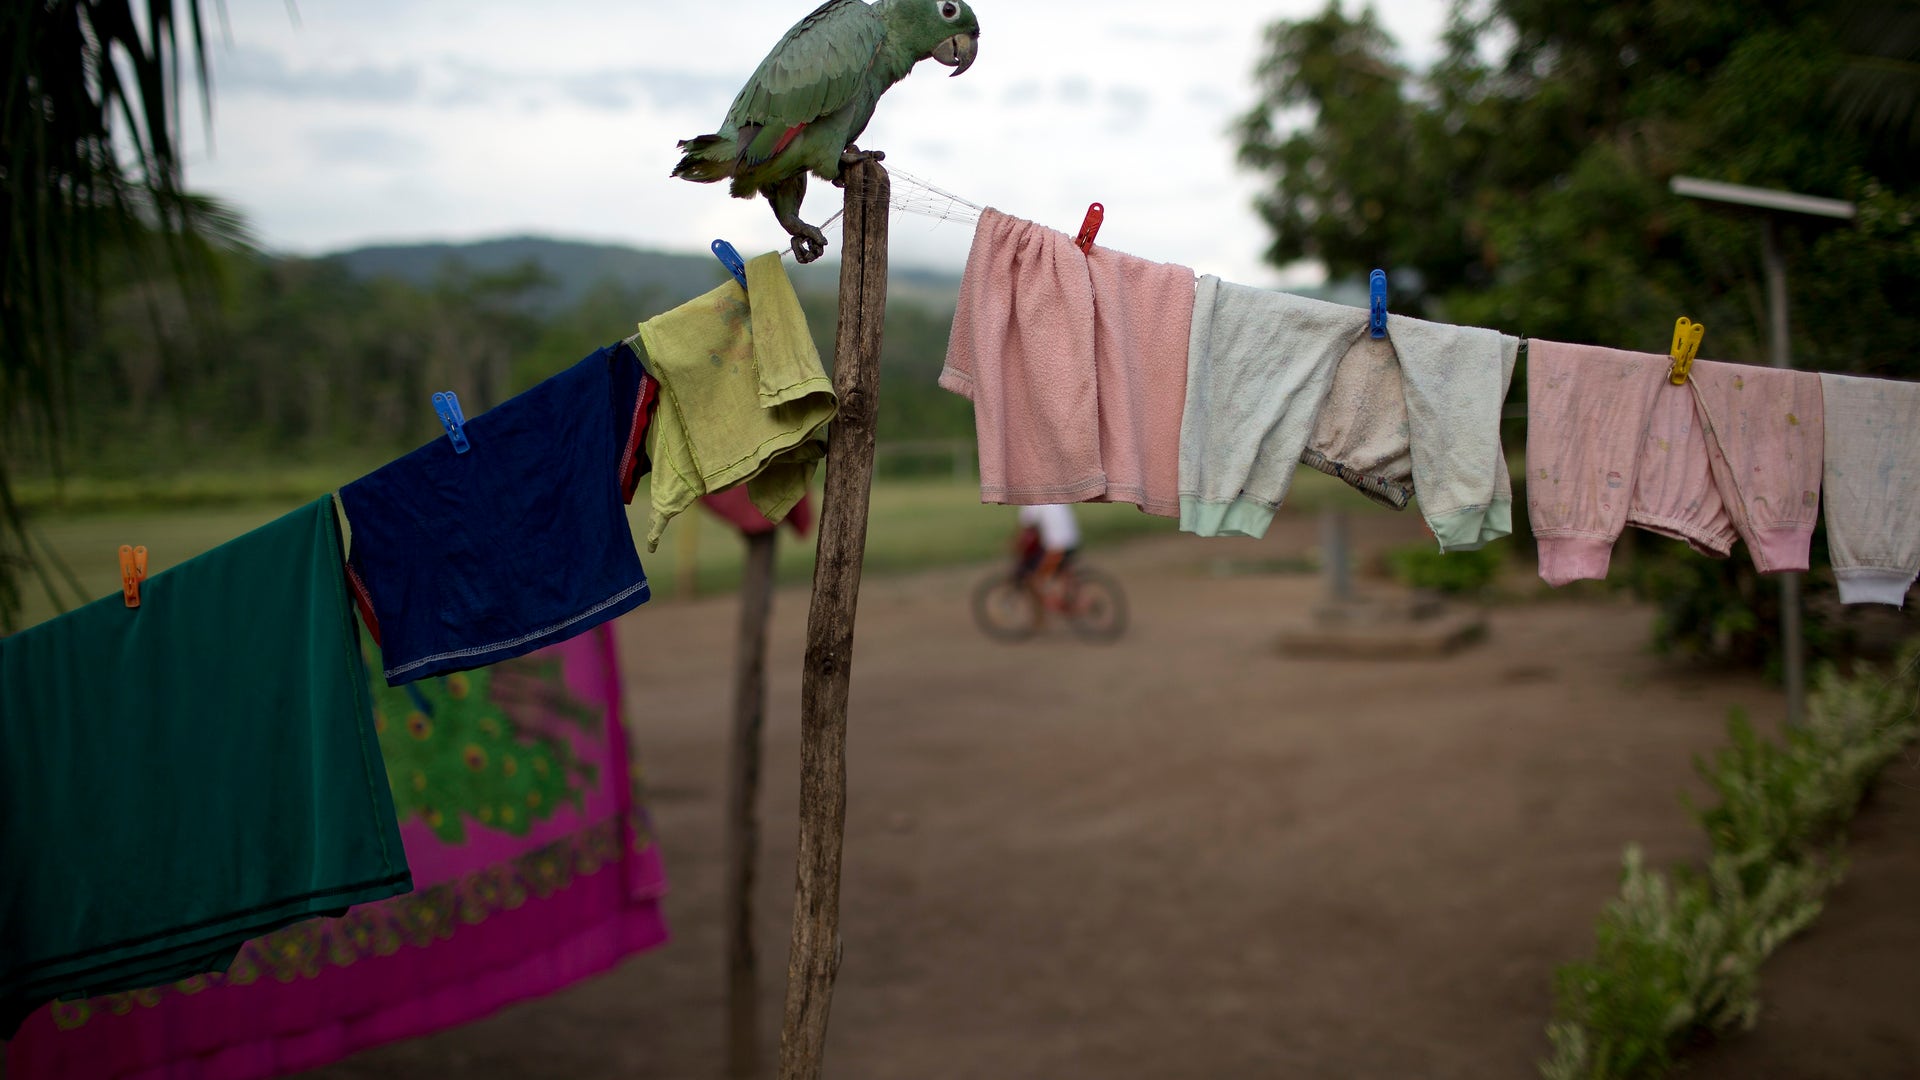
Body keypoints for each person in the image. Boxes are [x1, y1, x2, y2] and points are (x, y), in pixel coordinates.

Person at [1014, 503, 1080, 608]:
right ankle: (1066, 598)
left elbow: (1026, 528)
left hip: (1057, 547)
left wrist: (1016, 546)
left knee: (1033, 577)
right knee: (1061, 573)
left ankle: (1053, 604)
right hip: (1073, 541)